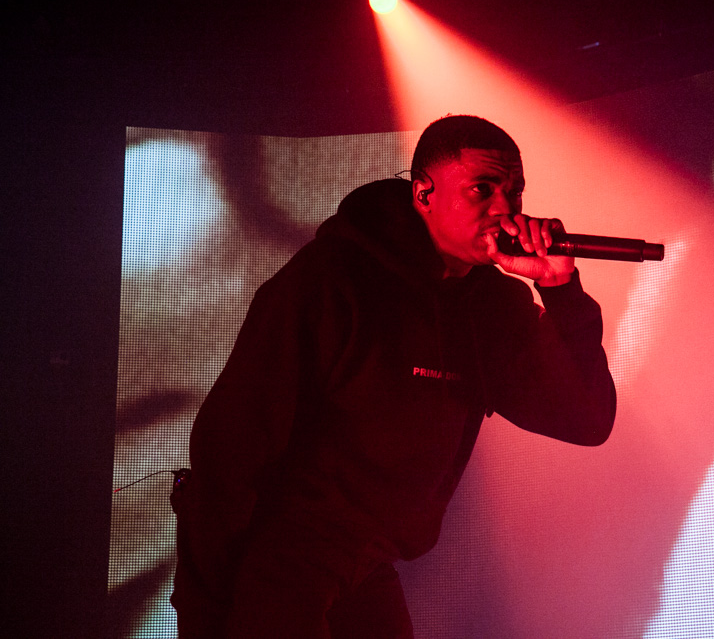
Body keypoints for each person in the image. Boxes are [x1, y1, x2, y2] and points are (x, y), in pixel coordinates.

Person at [170, 114, 616, 638]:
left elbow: (587, 421)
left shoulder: (493, 308)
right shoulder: (331, 279)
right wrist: (203, 608)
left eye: (514, 192)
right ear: (424, 194)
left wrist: (561, 289)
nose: (505, 209)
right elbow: (230, 446)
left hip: (369, 561)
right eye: (483, 189)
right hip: (282, 557)